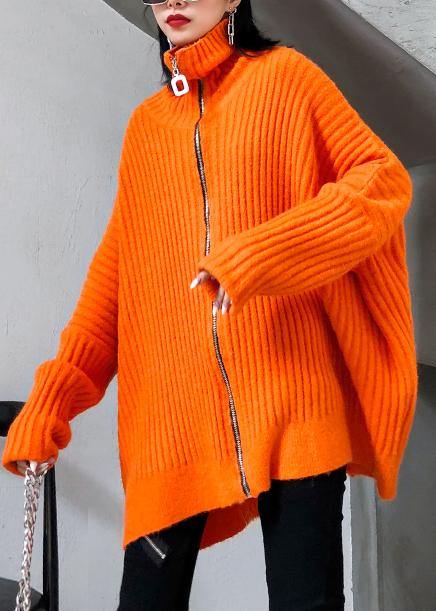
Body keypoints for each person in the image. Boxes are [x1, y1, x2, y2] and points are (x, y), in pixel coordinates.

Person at [2, 1, 418, 609]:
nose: (173, 0)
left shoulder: (287, 79)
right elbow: (112, 288)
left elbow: (381, 180)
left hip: (295, 403)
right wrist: (51, 402)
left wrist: (260, 254)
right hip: (172, 426)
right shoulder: (146, 129)